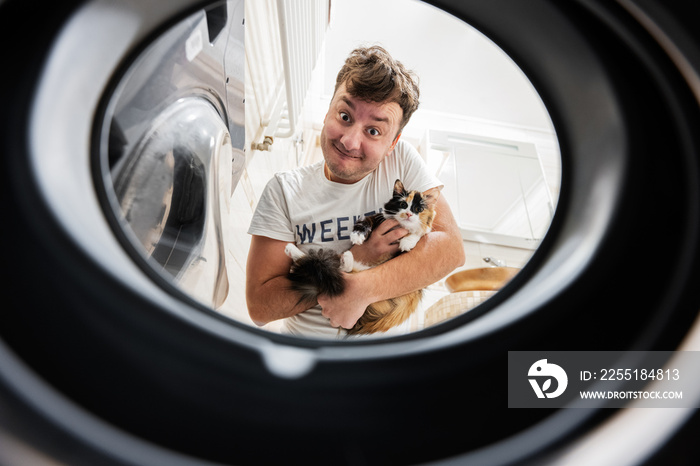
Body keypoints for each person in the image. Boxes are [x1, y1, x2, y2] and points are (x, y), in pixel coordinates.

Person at [246, 45, 465, 338]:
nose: (349, 142)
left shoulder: (402, 161)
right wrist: (354, 260)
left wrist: (361, 289)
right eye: (345, 116)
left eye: (373, 131)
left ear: (392, 144)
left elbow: (451, 250)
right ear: (327, 112)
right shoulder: (283, 190)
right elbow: (260, 307)